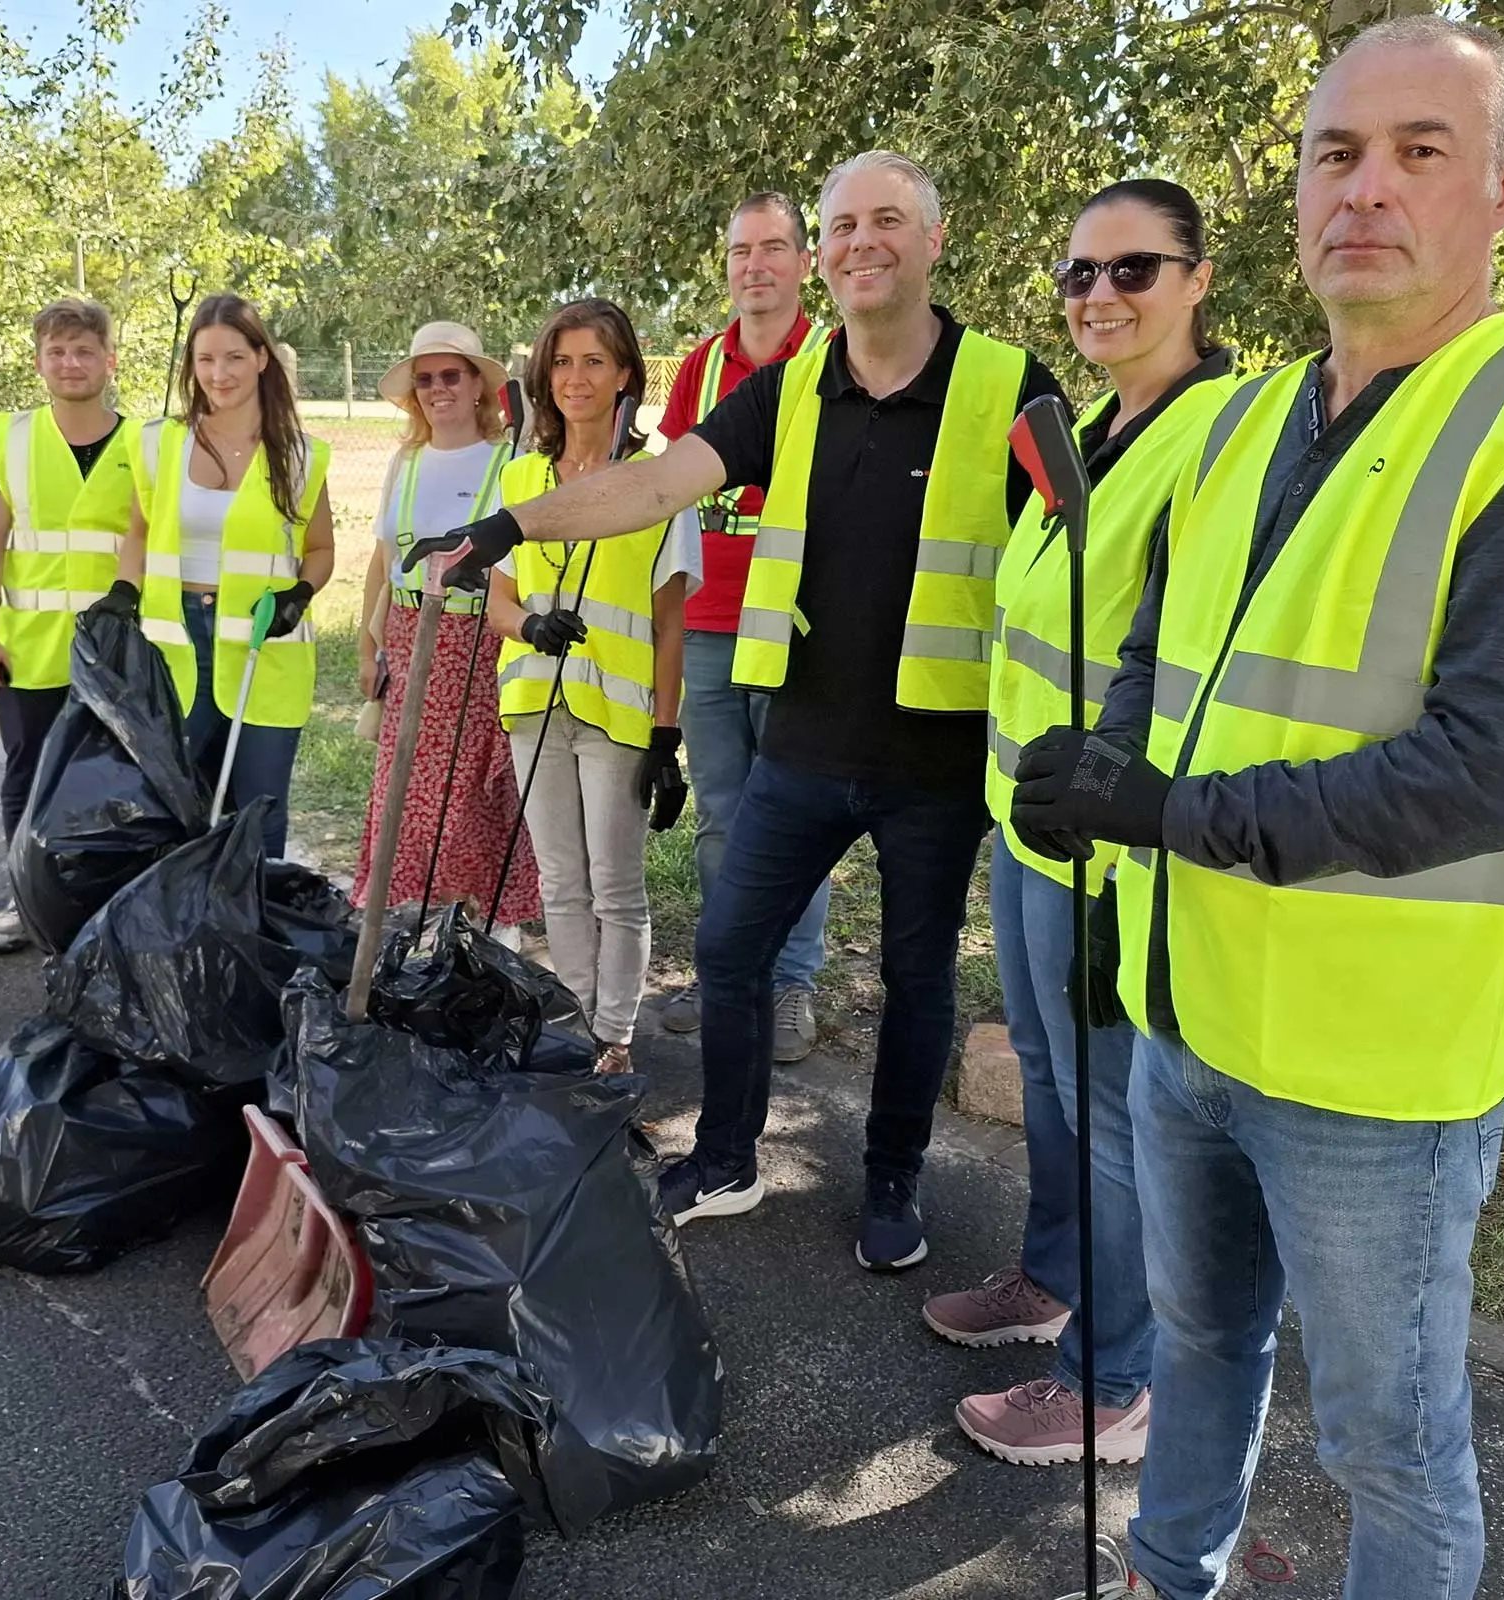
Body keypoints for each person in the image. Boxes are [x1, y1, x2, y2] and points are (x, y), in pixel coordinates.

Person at [1007, 19, 1504, 1598]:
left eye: (1418, 152)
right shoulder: (1242, 419)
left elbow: (1481, 772)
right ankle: (1167, 1572)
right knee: (1199, 1342)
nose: (1365, 189)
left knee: (1391, 1450)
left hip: (1373, 1074)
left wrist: (1167, 813)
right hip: (1189, 1015)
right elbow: (1156, 653)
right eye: (1336, 153)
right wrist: (1106, 775)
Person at [409, 152, 1065, 1271]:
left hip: (937, 753)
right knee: (729, 945)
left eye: (887, 220)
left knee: (917, 980)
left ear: (934, 239)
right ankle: (727, 1157)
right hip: (804, 739)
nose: (862, 242)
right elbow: (654, 484)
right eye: (843, 224)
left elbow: (1077, 558)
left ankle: (893, 1179)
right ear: (825, 250)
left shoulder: (1010, 385)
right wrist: (512, 528)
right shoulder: (791, 386)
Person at [919, 180, 1236, 1469]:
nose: (1100, 294)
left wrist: (1113, 785)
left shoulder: (1215, 439)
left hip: (1114, 844)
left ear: (1198, 280)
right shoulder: (1094, 430)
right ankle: (1052, 1281)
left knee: (1110, 1115)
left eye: (1133, 269)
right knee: (1051, 1081)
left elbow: (1181, 652)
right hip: (1029, 822)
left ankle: (1112, 1378)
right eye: (1079, 273)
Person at [489, 298, 696, 1077]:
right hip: (534, 708)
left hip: (619, 717)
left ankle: (615, 1037)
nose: (575, 379)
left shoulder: (657, 482)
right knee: (560, 882)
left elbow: (669, 622)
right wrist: (528, 626)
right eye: (562, 362)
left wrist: (667, 735)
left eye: (595, 362)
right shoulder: (519, 476)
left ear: (626, 377)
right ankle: (574, 1023)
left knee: (616, 888)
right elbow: (498, 602)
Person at [656, 192, 830, 1064]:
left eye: (772, 248)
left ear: (805, 263)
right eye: (739, 251)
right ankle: (726, 971)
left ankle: (792, 982)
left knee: (796, 814)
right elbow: (668, 490)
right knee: (722, 815)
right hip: (708, 626)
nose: (754, 266)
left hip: (801, 630)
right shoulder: (700, 368)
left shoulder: (833, 359)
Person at [109, 293, 334, 860]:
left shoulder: (299, 456)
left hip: (265, 648)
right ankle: (177, 908)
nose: (219, 374)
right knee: (166, 802)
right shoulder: (159, 442)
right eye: (205, 359)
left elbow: (321, 548)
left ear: (261, 358)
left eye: (234, 357)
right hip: (177, 648)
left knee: (261, 811)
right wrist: (122, 593)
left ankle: (255, 910)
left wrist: (301, 592)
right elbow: (138, 532)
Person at [350, 321, 542, 935]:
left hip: (481, 641)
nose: (438, 389)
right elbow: (382, 561)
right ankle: (410, 918)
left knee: (477, 789)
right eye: (425, 379)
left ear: (478, 385)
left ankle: (488, 927)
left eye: (451, 376)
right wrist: (368, 647)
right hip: (410, 640)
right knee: (405, 786)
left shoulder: (509, 461)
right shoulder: (404, 462)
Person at [0, 298, 139, 953]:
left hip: (116, 653)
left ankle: (104, 910)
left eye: (84, 351)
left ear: (109, 361)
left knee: (114, 780)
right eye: (57, 352)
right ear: (39, 362)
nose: (70, 363)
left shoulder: (144, 444)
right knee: (28, 779)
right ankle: (26, 904)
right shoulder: (7, 440)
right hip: (29, 649)